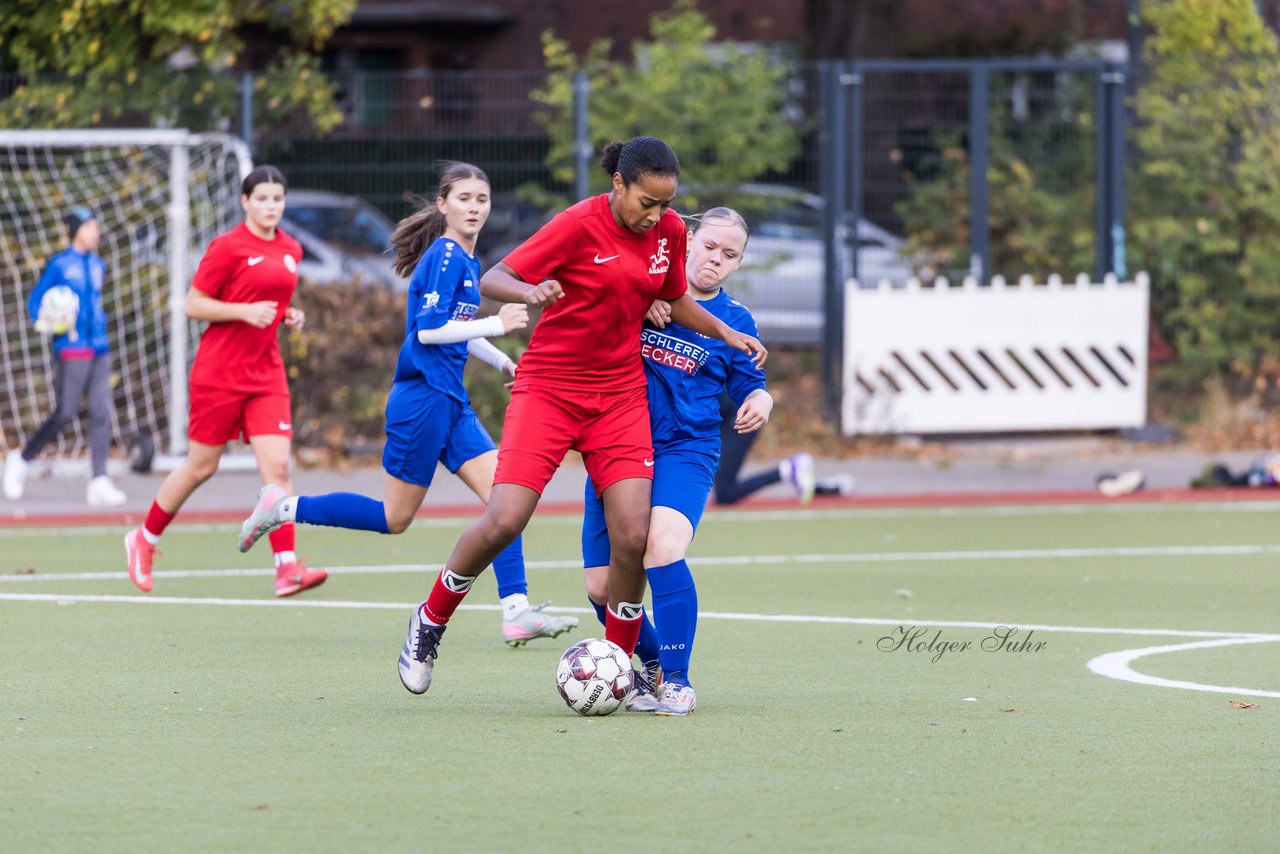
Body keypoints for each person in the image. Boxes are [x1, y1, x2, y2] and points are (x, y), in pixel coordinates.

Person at [394, 137, 767, 706]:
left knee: (634, 536)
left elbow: (673, 297)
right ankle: (430, 620)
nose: (657, 216)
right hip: (551, 389)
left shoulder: (666, 233)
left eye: (666, 205)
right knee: (505, 519)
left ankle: (623, 670)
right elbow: (496, 276)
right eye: (646, 201)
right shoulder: (576, 224)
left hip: (618, 398)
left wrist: (726, 333)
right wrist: (531, 290)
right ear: (618, 184)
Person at [236, 162, 578, 647]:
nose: (474, 207)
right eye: (464, 198)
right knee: (394, 519)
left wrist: (502, 361)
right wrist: (497, 324)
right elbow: (429, 332)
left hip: (451, 402)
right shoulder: (444, 256)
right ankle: (283, 506)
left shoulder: (466, 260)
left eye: (481, 199)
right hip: (421, 402)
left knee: (505, 502)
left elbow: (456, 328)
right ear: (443, 205)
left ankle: (516, 609)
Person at [579, 206, 770, 715]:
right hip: (618, 445)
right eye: (709, 247)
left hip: (687, 450)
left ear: (739, 263)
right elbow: (587, 326)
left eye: (730, 256)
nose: (716, 260)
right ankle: (651, 663)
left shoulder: (734, 320)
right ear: (686, 238)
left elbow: (750, 381)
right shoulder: (641, 289)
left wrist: (761, 400)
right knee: (600, 587)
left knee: (662, 548)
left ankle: (678, 680)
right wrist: (637, 307)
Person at [123, 166, 328, 598]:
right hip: (219, 374)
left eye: (278, 199)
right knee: (202, 466)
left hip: (266, 374)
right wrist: (242, 311)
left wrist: (289, 314)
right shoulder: (229, 246)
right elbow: (194, 304)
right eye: (263, 199)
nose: (271, 206)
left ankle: (286, 568)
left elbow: (275, 299)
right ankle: (144, 539)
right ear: (245, 202)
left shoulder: (291, 248)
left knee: (277, 467)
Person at [4, 206, 127, 507]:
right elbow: (36, 303)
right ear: (75, 231)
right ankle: (20, 459)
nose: (94, 232)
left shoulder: (99, 265)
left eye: (96, 227)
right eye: (88, 227)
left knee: (101, 412)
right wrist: (50, 320)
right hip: (71, 350)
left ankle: (99, 480)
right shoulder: (60, 264)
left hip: (100, 347)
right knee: (65, 412)